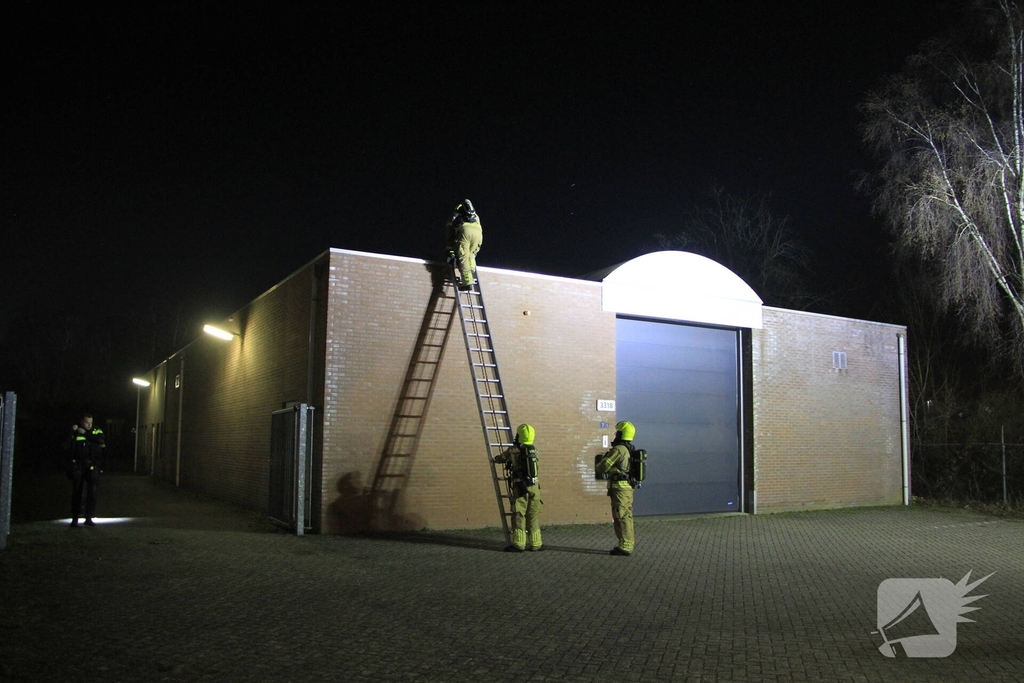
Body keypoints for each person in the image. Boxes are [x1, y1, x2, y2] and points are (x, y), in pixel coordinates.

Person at [493, 423, 543, 552]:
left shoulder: (513, 450)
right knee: (532, 515)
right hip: (535, 487)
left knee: (519, 515)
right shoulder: (535, 450)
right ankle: (536, 543)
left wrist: (495, 459)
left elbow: (500, 459)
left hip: (521, 488)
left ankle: (519, 544)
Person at [595, 420, 637, 556]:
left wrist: (602, 461)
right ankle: (625, 543)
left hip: (619, 488)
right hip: (626, 488)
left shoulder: (618, 450)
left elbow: (603, 467)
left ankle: (625, 546)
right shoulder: (629, 449)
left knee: (621, 516)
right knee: (626, 515)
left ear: (620, 434)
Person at [63, 412, 105, 527]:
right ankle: (75, 518)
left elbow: (101, 440)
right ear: (81, 421)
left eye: (90, 422)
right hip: (79, 465)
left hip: (93, 466)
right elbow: (66, 446)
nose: (89, 425)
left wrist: (86, 434)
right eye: (86, 422)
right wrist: (72, 431)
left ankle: (89, 517)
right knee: (77, 492)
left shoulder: (96, 430)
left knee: (92, 493)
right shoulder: (75, 431)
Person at [445, 199, 482, 289]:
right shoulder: (475, 216)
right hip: (478, 233)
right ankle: (471, 270)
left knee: (463, 257)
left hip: (465, 232)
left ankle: (467, 282)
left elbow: (449, 234)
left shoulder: (454, 216)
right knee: (471, 254)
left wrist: (450, 251)